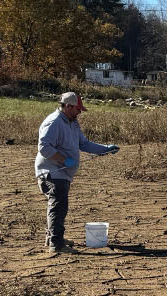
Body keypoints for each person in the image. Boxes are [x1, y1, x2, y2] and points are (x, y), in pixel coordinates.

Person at [35, 92, 119, 251]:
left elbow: (84, 144)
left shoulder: (72, 123)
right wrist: (64, 160)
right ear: (68, 106)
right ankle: (56, 244)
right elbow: (44, 148)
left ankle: (52, 237)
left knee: (59, 207)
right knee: (58, 207)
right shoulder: (54, 122)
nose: (80, 112)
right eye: (77, 109)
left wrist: (105, 149)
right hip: (51, 172)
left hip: (63, 173)